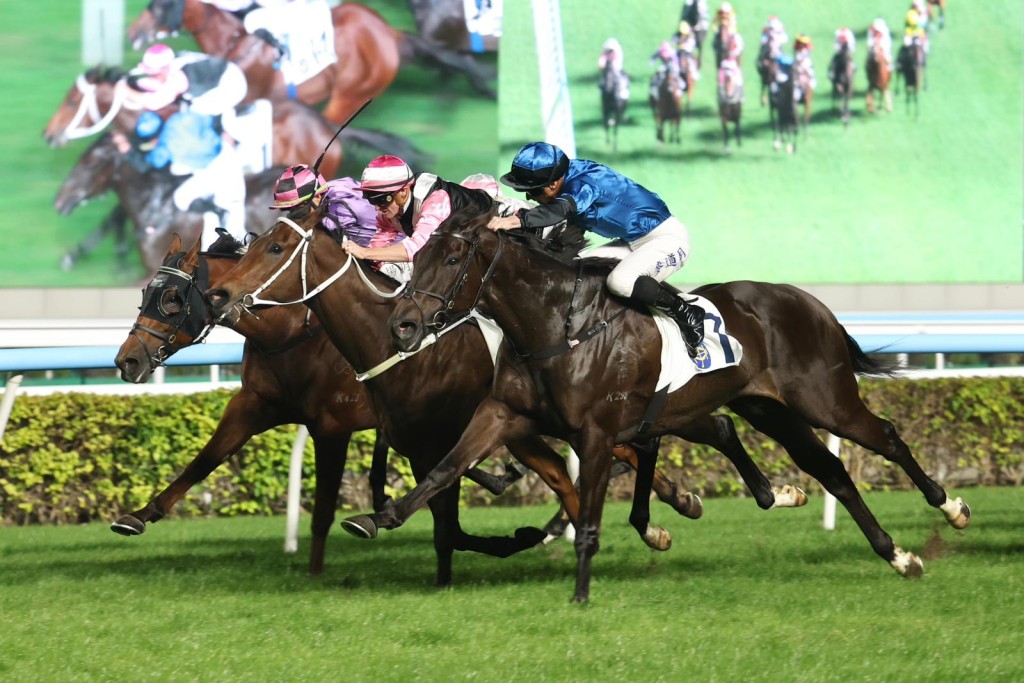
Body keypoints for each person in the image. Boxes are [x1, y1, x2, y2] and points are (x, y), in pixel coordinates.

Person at [488, 142, 704, 357]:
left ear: (553, 185)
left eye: (531, 191)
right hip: (631, 242)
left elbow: (559, 210)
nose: (529, 197)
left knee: (620, 281)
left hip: (666, 239)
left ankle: (688, 313)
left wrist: (517, 220)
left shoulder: (584, 183)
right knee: (576, 274)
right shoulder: (565, 180)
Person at [341, 155, 495, 282]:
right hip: (461, 249)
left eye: (381, 199)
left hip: (496, 236)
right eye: (371, 199)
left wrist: (365, 253)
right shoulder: (388, 210)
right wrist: (370, 262)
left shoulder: (435, 200)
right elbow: (380, 242)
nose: (376, 207)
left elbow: (418, 248)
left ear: (403, 191)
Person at [117, 109, 248, 249]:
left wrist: (128, 151)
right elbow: (207, 120)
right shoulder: (180, 118)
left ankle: (218, 211)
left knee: (181, 198)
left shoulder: (163, 148)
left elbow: (150, 164)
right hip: (224, 150)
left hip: (211, 171)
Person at [270, 164, 378, 247]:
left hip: (387, 252)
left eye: (299, 208)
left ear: (317, 197)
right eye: (289, 210)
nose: (294, 215)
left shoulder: (339, 203)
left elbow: (323, 241)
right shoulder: (324, 191)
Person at [792, 34, 817, 102]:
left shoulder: (807, 49)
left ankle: (811, 85)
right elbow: (797, 58)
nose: (802, 44)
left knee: (810, 74)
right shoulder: (796, 49)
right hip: (798, 66)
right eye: (801, 43)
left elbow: (807, 58)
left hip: (806, 65)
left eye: (803, 43)